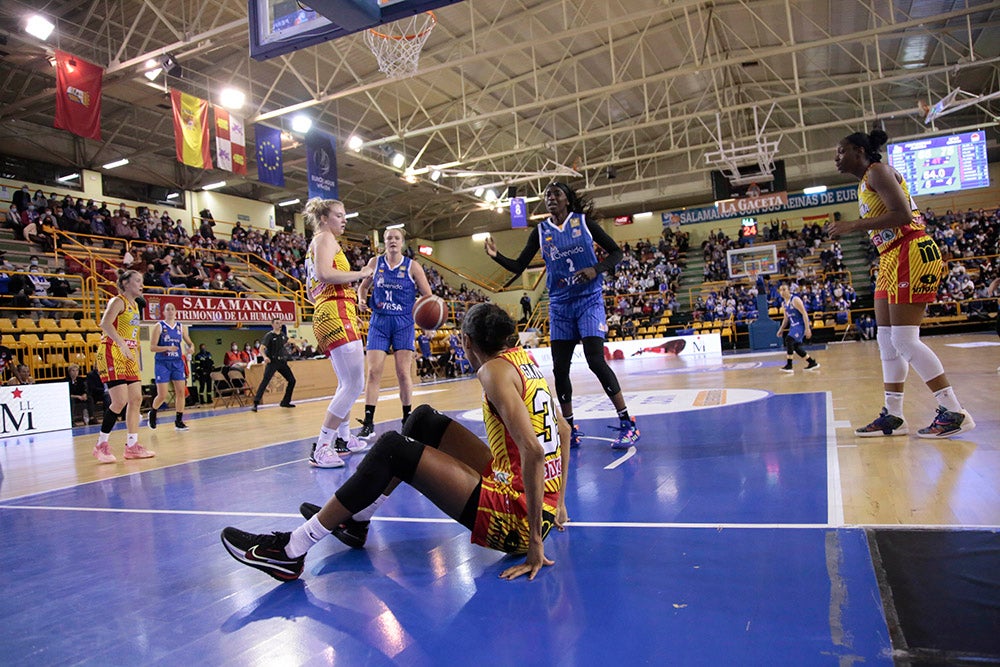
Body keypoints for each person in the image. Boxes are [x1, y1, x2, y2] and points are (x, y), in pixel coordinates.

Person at [221, 303, 570, 582]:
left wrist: (535, 545)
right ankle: (357, 521)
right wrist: (558, 502)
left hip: (517, 524)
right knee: (420, 420)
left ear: (465, 341)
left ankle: (292, 549)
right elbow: (564, 432)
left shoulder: (492, 370)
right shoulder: (525, 361)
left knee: (391, 447)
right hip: (539, 508)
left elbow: (534, 451)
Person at [827, 128, 974, 438]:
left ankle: (954, 410)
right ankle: (893, 414)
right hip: (891, 256)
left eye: (841, 151)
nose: (836, 157)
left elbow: (904, 214)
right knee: (886, 339)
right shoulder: (866, 182)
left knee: (905, 340)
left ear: (859, 151)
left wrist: (852, 225)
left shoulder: (877, 171)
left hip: (911, 249)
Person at [485, 181, 638, 449]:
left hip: (588, 299)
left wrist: (596, 269)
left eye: (556, 194)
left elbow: (616, 252)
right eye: (547, 195)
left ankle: (628, 422)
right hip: (560, 305)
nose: (550, 198)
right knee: (560, 368)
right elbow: (520, 265)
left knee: (594, 360)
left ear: (567, 199)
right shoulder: (541, 231)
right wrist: (496, 256)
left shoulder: (583, 222)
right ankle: (569, 426)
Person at [302, 197, 374, 467]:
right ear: (323, 218)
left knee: (347, 383)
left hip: (331, 311)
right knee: (354, 384)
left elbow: (311, 291)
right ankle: (321, 447)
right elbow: (323, 274)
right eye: (339, 215)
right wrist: (360, 273)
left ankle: (343, 438)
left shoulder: (319, 242)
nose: (344, 220)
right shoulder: (324, 239)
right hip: (335, 314)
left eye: (345, 215)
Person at [355, 227, 433, 438]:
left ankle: (407, 419)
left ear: (402, 242)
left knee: (402, 373)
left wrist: (427, 324)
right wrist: (361, 300)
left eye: (396, 238)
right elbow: (362, 288)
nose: (392, 241)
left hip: (403, 323)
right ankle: (369, 422)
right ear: (384, 242)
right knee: (373, 372)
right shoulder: (375, 263)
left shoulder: (413, 266)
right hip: (379, 321)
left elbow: (428, 296)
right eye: (389, 238)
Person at [92, 270, 155, 463]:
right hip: (112, 351)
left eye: (141, 281)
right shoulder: (117, 301)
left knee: (136, 399)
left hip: (129, 354)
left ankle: (132, 446)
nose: (141, 284)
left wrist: (134, 354)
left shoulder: (135, 306)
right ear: (125, 283)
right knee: (119, 401)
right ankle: (101, 445)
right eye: (137, 280)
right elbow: (105, 324)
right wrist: (122, 344)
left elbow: (133, 333)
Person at [148, 302, 194, 431]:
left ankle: (179, 421)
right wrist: (167, 347)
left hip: (177, 362)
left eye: (172, 309)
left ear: (175, 312)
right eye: (167, 309)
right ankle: (153, 411)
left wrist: (191, 348)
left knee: (180, 392)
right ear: (164, 312)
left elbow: (190, 343)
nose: (170, 311)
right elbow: (152, 347)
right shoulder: (159, 326)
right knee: (162, 395)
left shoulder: (181, 327)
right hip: (163, 363)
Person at [251, 318, 297, 411]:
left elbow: (289, 340)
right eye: (276, 323)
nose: (279, 324)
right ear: (272, 325)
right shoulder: (269, 336)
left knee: (292, 380)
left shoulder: (282, 335)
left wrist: (299, 341)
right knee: (265, 381)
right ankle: (256, 403)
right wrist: (265, 357)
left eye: (280, 323)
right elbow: (261, 348)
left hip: (282, 362)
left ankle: (285, 402)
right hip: (272, 362)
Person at [775, 283, 820, 373]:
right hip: (793, 326)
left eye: (784, 289)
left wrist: (807, 329)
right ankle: (812, 362)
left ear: (789, 290)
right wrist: (781, 329)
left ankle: (789, 365)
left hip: (800, 325)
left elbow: (804, 313)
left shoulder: (795, 300)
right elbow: (786, 318)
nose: (782, 292)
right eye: (781, 290)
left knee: (789, 340)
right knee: (796, 347)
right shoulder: (784, 303)